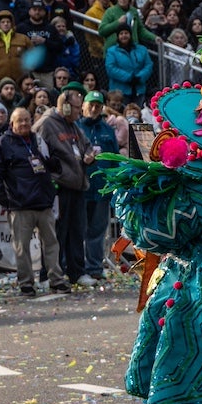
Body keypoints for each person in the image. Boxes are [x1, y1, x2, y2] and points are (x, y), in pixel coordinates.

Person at [0, 106, 71, 296]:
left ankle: (56, 280)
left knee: (51, 244)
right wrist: (5, 200)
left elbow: (52, 163)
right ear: (12, 124)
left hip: (43, 202)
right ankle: (26, 283)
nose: (25, 123)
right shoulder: (3, 143)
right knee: (21, 248)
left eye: (27, 119)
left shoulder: (38, 139)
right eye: (20, 121)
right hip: (20, 205)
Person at [37, 89, 92, 284]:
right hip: (59, 187)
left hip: (76, 185)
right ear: (66, 106)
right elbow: (39, 153)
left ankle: (76, 272)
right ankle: (49, 274)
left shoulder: (73, 126)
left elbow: (87, 144)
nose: (80, 112)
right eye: (77, 108)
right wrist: (54, 172)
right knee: (57, 233)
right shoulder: (47, 124)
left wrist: (89, 155)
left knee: (76, 231)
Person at [74, 91, 119, 284]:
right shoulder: (75, 127)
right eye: (91, 105)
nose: (93, 109)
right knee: (79, 229)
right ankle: (78, 267)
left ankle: (95, 267)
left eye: (98, 106)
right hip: (81, 186)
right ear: (83, 106)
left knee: (98, 229)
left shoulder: (107, 131)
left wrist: (115, 182)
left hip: (102, 188)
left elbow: (115, 157)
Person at [105, 25, 154, 103]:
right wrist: (129, 77)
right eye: (121, 34)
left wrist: (140, 77)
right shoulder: (112, 51)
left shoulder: (142, 49)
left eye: (126, 33)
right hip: (120, 93)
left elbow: (148, 65)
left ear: (130, 35)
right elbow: (111, 68)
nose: (124, 35)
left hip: (139, 90)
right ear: (118, 36)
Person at [0, 10, 31, 85]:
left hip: (21, 80)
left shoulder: (23, 39)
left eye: (8, 22)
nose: (6, 24)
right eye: (3, 22)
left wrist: (27, 69)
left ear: (12, 23)